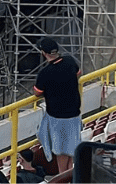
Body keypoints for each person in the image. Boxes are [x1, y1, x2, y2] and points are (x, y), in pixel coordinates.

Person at [34, 36, 82, 174]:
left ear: (44, 53)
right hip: (74, 114)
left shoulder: (45, 73)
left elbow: (37, 92)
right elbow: (78, 73)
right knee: (70, 152)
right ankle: (69, 178)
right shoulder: (69, 61)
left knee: (61, 153)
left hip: (58, 118)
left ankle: (64, 178)